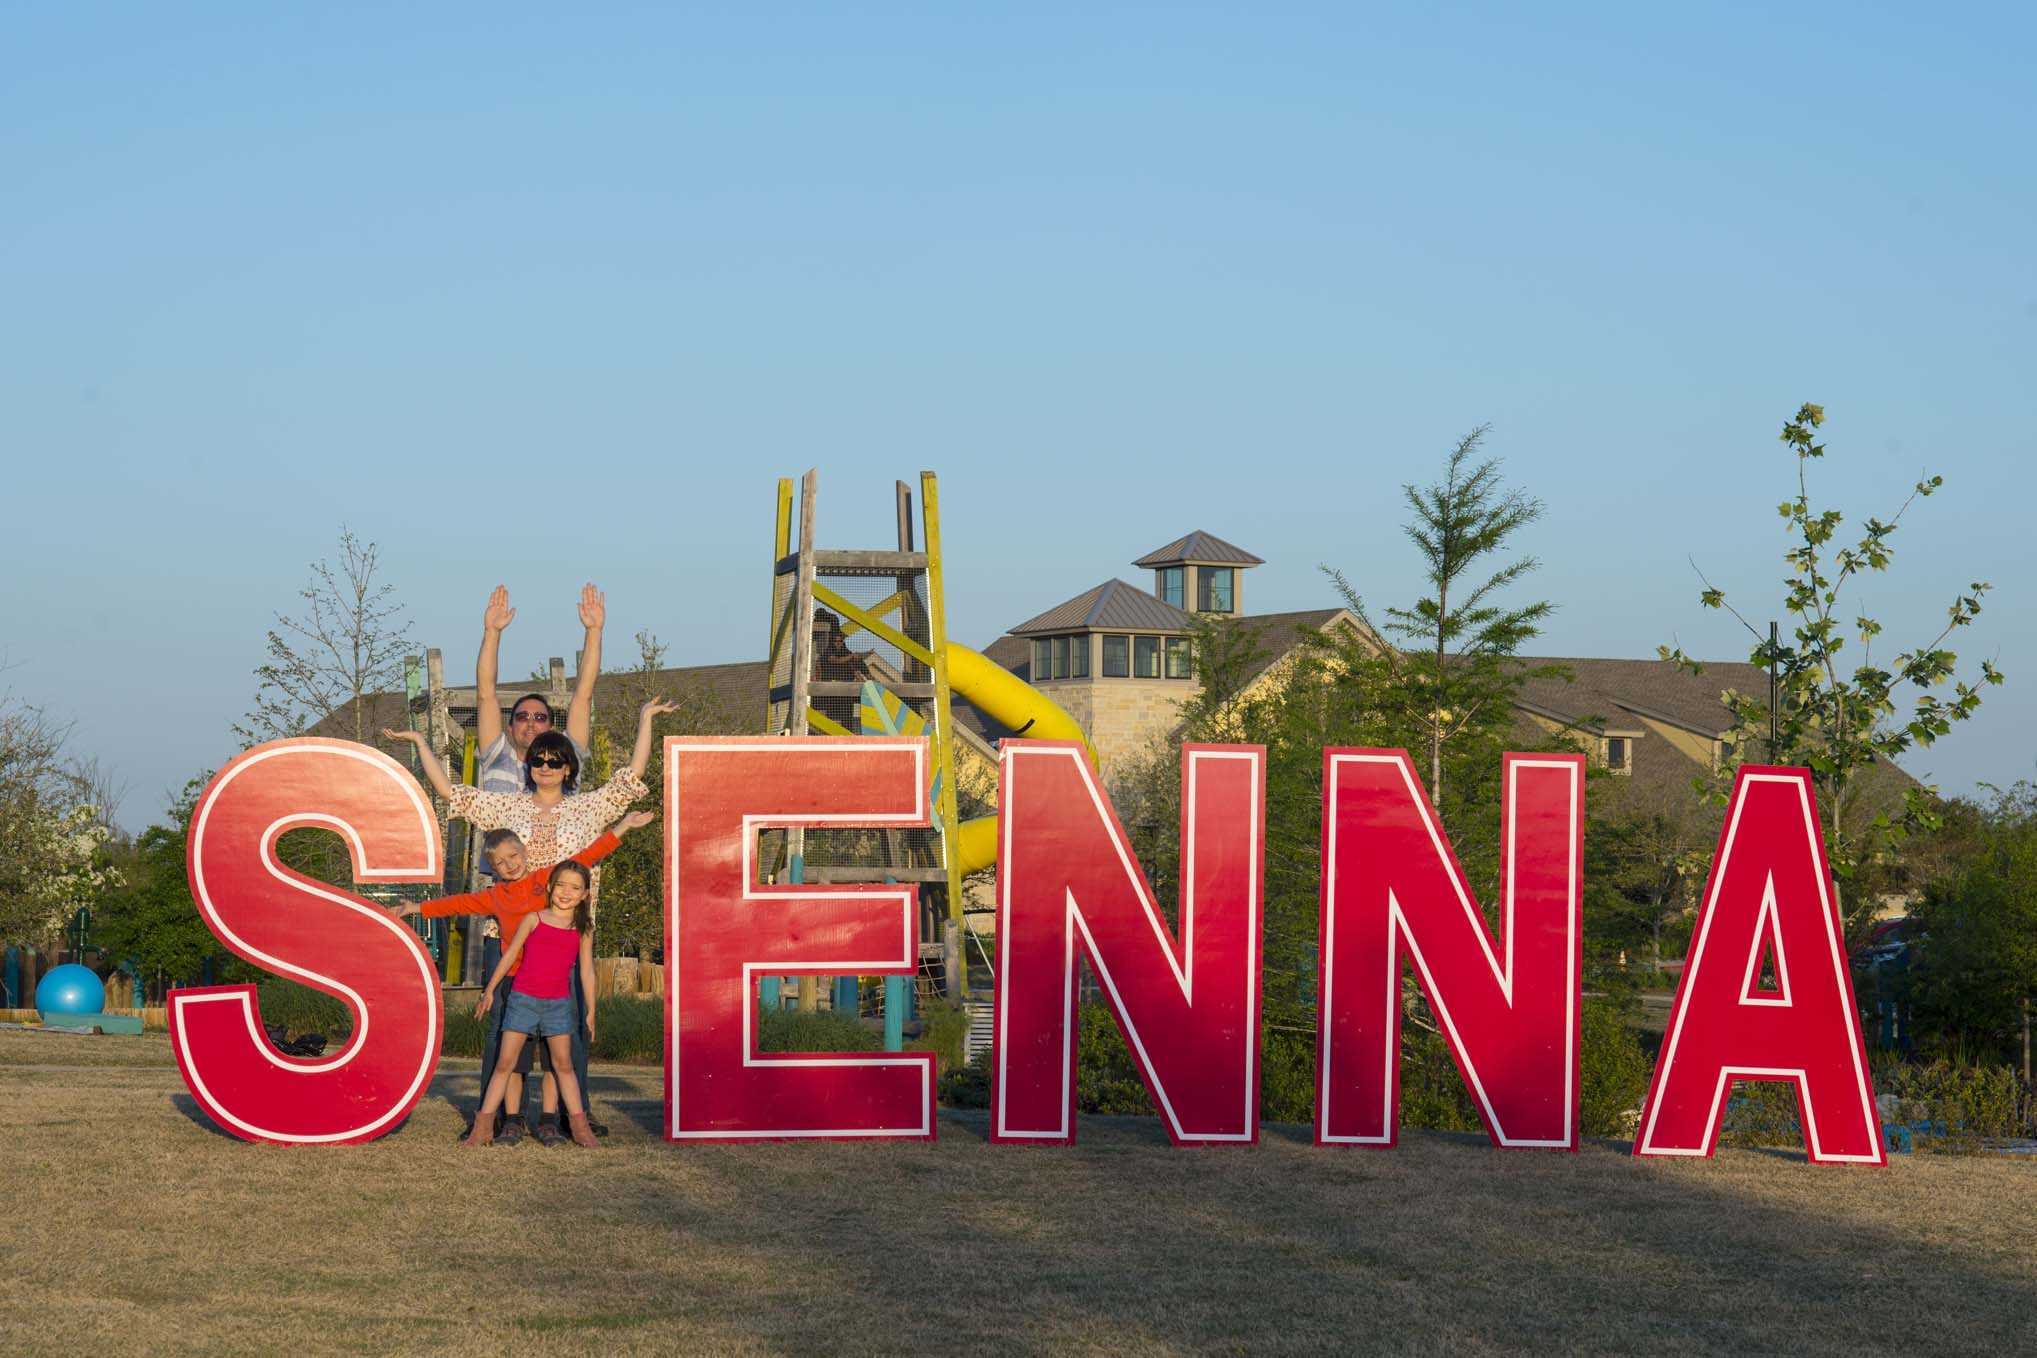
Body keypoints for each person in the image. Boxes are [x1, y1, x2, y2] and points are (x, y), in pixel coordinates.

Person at [385, 696, 671, 1134]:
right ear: (529, 765)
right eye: (538, 759)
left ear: (568, 768)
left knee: (568, 1031)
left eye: (555, 761)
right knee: (502, 1030)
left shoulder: (587, 807)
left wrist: (645, 717)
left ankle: (571, 1114)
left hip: (564, 938)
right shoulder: (508, 807)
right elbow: (449, 792)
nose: (546, 767)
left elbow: (631, 777)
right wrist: (421, 742)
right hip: (509, 937)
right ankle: (497, 1115)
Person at [386, 810, 656, 1145]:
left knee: (557, 1060)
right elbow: (459, 903)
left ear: (524, 852)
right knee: (512, 1059)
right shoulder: (496, 897)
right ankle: (510, 1119)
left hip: (555, 985)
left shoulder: (547, 881)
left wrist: (623, 826)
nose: (509, 865)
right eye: (500, 862)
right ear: (493, 868)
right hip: (517, 984)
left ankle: (550, 1119)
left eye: (513, 856)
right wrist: (416, 909)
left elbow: (586, 857)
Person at [464, 860, 603, 1148]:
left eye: (575, 888)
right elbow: (509, 956)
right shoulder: (534, 919)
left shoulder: (583, 929)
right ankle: (482, 1128)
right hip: (522, 1002)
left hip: (558, 1006)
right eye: (561, 885)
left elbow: (587, 971)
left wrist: (591, 1010)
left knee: (564, 1065)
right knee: (505, 1063)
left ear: (585, 895)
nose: (566, 892)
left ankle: (581, 1129)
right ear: (550, 887)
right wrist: (489, 990)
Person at [472, 583, 605, 796]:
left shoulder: (566, 759)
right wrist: (492, 633)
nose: (531, 723)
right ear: (510, 727)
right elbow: (486, 694)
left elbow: (583, 695)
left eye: (540, 717)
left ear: (551, 727)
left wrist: (594, 631)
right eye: (522, 717)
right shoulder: (497, 757)